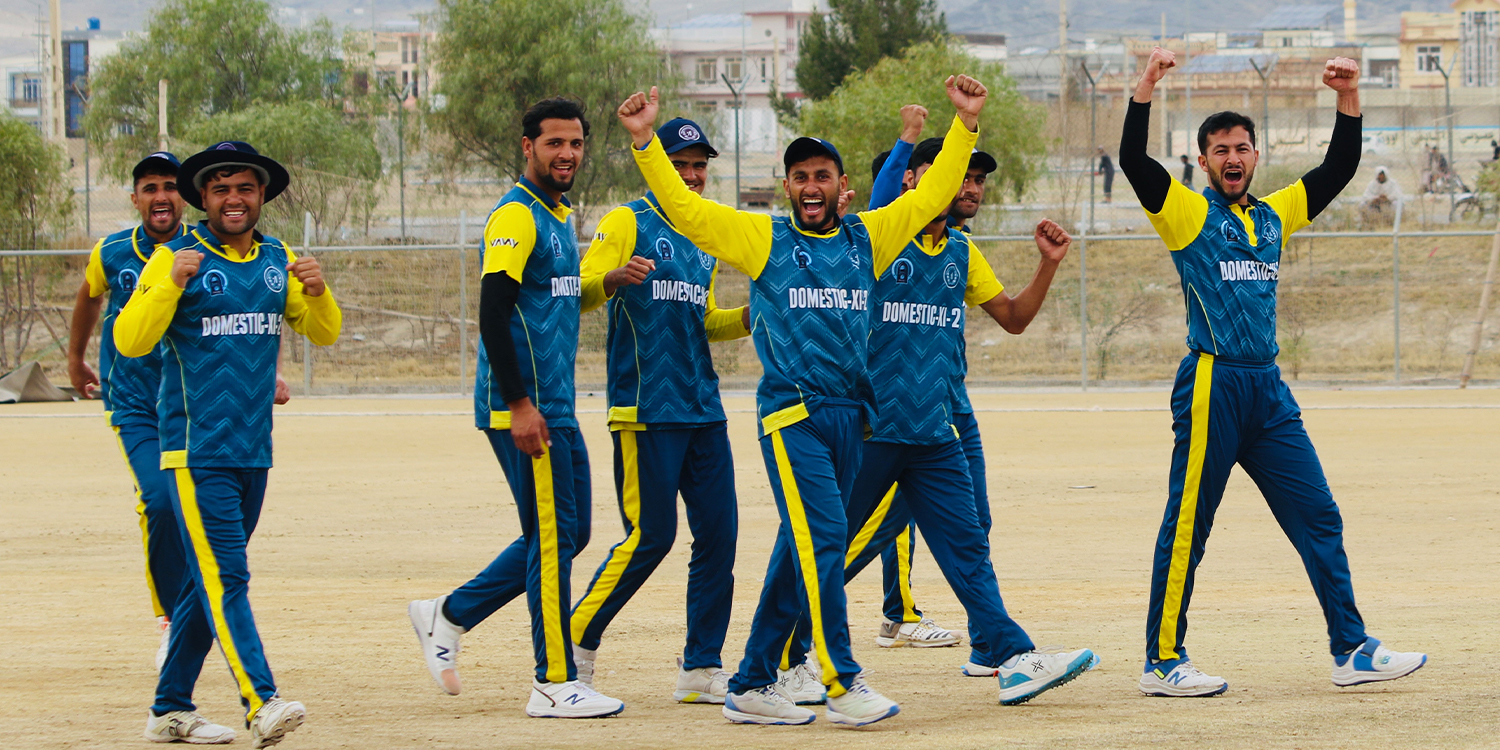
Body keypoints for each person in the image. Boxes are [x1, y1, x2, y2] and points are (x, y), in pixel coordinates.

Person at [616, 74, 989, 727]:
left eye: (822, 175)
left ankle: (753, 680)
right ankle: (841, 679)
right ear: (786, 187)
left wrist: (965, 125)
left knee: (803, 544)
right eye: (800, 177)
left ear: (838, 185)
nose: (811, 186)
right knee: (822, 536)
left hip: (852, 415)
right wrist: (646, 142)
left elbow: (932, 191)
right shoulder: (765, 240)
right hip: (792, 412)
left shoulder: (866, 239)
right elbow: (688, 210)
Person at [1118, 47, 1427, 698]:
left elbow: (1340, 167)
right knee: (1188, 527)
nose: (1232, 158)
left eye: (1242, 147)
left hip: (1267, 390)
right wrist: (1144, 88)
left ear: (1256, 155)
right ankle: (1162, 659)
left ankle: (1351, 649)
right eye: (1220, 149)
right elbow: (1133, 163)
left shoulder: (1272, 215)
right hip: (1212, 382)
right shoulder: (1186, 214)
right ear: (1203, 161)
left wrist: (1347, 97)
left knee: (1319, 515)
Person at [793, 132, 1097, 706]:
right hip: (871, 433)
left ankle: (1010, 657)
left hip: (934, 434)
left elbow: (1011, 318)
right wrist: (910, 139)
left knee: (968, 545)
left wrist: (1047, 265)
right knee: (826, 546)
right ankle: (787, 656)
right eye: (959, 173)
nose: (971, 187)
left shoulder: (961, 252)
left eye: (978, 178)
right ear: (915, 179)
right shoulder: (879, 238)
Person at [115, 140, 341, 747]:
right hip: (195, 451)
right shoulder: (176, 258)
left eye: (245, 188)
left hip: (253, 450)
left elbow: (324, 333)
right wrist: (168, 284)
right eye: (220, 189)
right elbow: (130, 340)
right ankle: (260, 700)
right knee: (228, 577)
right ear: (203, 199)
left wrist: (318, 292)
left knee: (203, 582)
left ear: (262, 195)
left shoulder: (278, 259)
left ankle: (169, 709)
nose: (234, 199)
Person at [407, 98, 624, 719]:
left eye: (576, 143)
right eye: (554, 143)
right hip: (526, 410)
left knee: (566, 533)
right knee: (553, 541)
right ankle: (553, 682)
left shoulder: (558, 214)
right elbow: (494, 312)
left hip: (557, 405)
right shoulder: (517, 215)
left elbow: (550, 299)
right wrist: (520, 405)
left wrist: (602, 284)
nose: (567, 154)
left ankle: (447, 615)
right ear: (527, 146)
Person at [567, 117, 750, 704]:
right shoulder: (628, 221)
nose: (693, 176)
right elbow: (578, 290)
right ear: (658, 165)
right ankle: (572, 647)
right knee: (651, 537)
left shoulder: (707, 236)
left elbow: (704, 322)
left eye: (700, 166)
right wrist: (615, 278)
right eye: (682, 164)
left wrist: (747, 319)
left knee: (720, 536)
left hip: (704, 410)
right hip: (645, 410)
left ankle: (700, 667)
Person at [66, 152, 192, 677]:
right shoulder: (113, 251)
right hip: (135, 405)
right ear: (135, 197)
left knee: (201, 515)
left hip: (194, 405)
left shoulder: (204, 249)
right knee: (160, 502)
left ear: (184, 195)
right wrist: (74, 359)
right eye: (150, 187)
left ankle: (200, 613)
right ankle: (170, 622)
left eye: (169, 185)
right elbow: (89, 297)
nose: (160, 195)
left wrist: (268, 371)